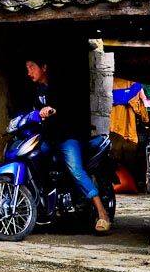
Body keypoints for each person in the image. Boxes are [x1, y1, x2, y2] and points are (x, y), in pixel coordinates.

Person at [24, 58, 111, 233]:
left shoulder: (60, 87)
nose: (29, 72)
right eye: (27, 68)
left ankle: (103, 214)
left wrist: (54, 110)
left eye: (32, 67)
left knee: (76, 171)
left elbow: (69, 108)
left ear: (44, 67)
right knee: (32, 160)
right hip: (48, 140)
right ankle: (40, 207)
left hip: (67, 138)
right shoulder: (35, 91)